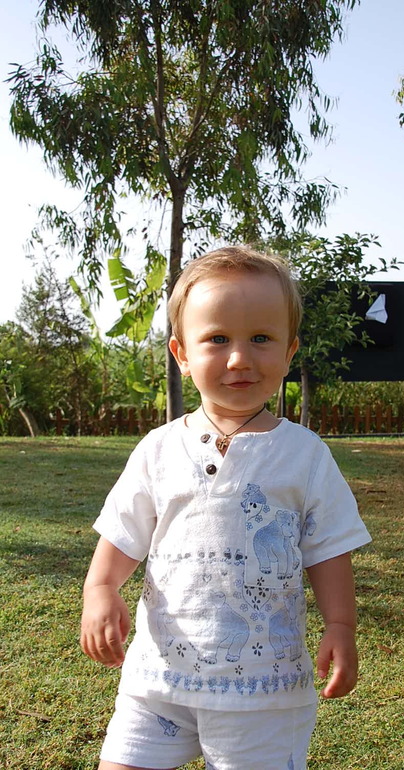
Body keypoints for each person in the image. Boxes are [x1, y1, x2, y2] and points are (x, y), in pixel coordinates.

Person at [80, 245, 371, 770]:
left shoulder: (304, 455)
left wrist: (341, 625)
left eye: (261, 338)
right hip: (157, 680)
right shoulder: (157, 449)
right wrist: (100, 589)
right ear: (181, 354)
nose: (240, 358)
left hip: (263, 692)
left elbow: (329, 548)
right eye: (217, 339)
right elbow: (124, 531)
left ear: (289, 351)